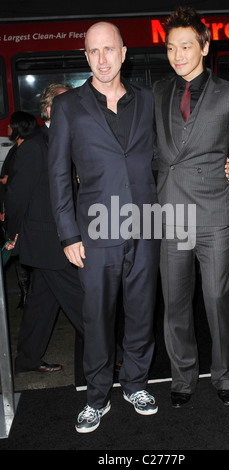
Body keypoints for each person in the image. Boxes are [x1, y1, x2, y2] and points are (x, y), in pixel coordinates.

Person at [48, 22, 160, 433]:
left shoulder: (147, 100)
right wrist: (68, 234)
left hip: (145, 224)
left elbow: (165, 158)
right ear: (86, 56)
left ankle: (135, 383)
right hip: (94, 232)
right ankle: (97, 396)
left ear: (124, 52)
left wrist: (219, 167)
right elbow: (58, 174)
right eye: (93, 52)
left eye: (108, 49)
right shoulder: (68, 107)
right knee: (96, 317)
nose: (102, 59)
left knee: (142, 311)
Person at [153, 6, 229, 407]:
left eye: (186, 45)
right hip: (169, 216)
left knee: (218, 299)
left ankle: (225, 374)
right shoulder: (158, 92)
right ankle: (182, 378)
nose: (178, 54)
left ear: (204, 45)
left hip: (216, 215)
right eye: (170, 47)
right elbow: (150, 151)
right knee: (175, 304)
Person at [5, 84, 84, 376]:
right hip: (48, 240)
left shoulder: (66, 139)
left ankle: (27, 360)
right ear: (50, 109)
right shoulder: (36, 144)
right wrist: (11, 233)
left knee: (41, 302)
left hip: (57, 237)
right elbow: (16, 194)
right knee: (83, 300)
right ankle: (111, 352)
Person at [1, 112, 39, 309]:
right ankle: (25, 292)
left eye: (10, 125)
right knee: (17, 255)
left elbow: (21, 184)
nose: (7, 128)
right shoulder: (16, 149)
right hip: (14, 209)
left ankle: (30, 292)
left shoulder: (29, 149)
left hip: (26, 212)